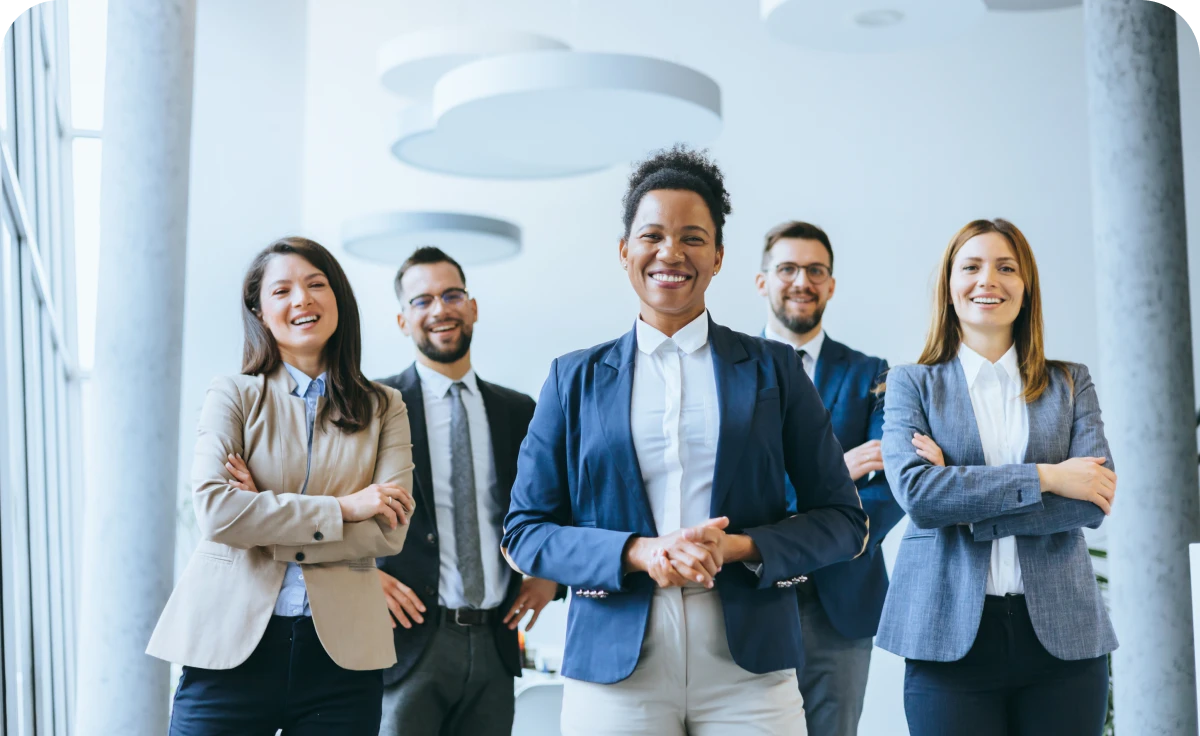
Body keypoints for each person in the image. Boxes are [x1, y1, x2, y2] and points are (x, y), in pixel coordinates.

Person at [502, 146, 869, 736]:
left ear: (719, 257)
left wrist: (741, 547)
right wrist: (638, 552)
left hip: (751, 668)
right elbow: (525, 531)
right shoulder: (573, 378)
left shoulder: (775, 371)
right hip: (613, 669)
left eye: (692, 238)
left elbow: (842, 521)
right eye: (652, 235)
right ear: (625, 251)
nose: (670, 252)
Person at [147, 237, 416, 735]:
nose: (302, 300)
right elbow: (217, 512)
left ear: (338, 297)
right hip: (229, 648)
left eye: (317, 284)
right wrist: (343, 507)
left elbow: (387, 531)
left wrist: (260, 513)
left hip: (341, 661)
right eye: (283, 290)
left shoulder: (384, 407)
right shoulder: (233, 394)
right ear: (260, 311)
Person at [878, 219, 1117, 736]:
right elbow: (920, 497)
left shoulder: (1070, 383)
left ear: (1026, 286)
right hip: (947, 639)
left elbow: (1091, 501)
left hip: (1063, 644)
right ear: (949, 285)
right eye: (972, 266)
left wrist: (962, 496)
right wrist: (1048, 475)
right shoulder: (910, 384)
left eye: (1006, 267)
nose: (988, 279)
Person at [374, 246, 562, 736]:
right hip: (406, 647)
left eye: (452, 294)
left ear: (472, 307)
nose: (440, 309)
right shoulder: (373, 407)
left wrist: (550, 578)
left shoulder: (518, 410)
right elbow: (327, 505)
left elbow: (557, 505)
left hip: (496, 644)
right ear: (402, 320)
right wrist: (356, 576)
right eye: (422, 300)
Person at [756, 221, 902, 736]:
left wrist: (810, 528)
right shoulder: (730, 370)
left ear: (831, 284)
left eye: (815, 270)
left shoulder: (873, 374)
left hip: (840, 600)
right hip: (751, 593)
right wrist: (837, 472)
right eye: (788, 269)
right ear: (762, 281)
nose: (802, 281)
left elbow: (891, 487)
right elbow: (735, 486)